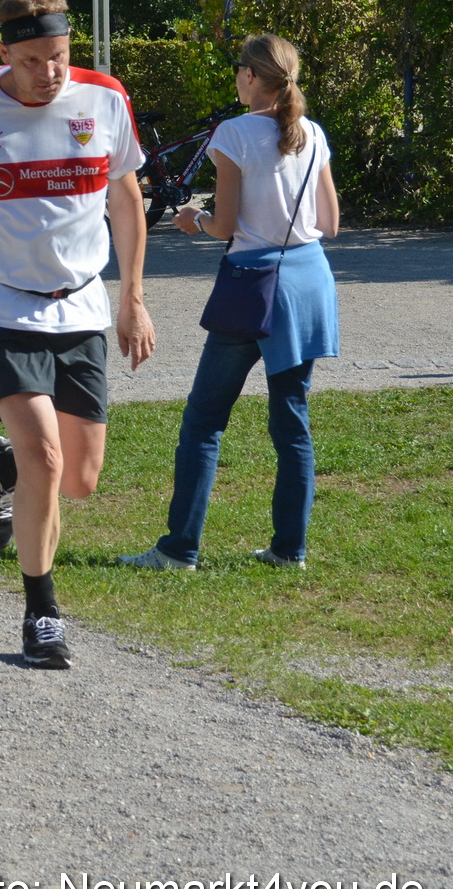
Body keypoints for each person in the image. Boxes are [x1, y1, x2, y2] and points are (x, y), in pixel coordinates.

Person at [0, 0, 154, 670]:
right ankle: (41, 612)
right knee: (46, 459)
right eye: (31, 60)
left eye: (59, 56)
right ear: (3, 54)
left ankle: (4, 469)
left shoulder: (104, 99)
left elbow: (126, 198)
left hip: (79, 304)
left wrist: (132, 297)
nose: (49, 72)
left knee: (78, 479)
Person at [121, 35, 338, 571]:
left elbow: (225, 224)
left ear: (251, 76)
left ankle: (180, 548)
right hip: (309, 280)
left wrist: (194, 219)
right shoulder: (312, 132)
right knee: (292, 421)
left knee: (204, 419)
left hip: (252, 286)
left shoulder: (234, 133)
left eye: (240, 69)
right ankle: (290, 549)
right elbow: (329, 223)